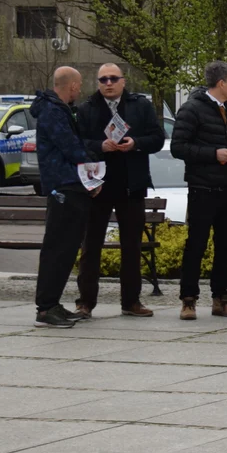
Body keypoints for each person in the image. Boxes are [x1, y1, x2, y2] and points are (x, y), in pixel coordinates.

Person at [74, 63, 165, 319]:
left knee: (132, 246)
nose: (109, 83)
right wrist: (100, 146)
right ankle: (85, 302)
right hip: (97, 187)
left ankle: (131, 301)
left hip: (131, 185)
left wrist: (135, 143)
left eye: (113, 78)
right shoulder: (87, 108)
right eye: (103, 79)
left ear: (123, 81)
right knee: (91, 245)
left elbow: (158, 138)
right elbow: (78, 143)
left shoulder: (141, 105)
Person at [170, 60, 227, 321]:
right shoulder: (192, 109)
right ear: (221, 83)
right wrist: (213, 154)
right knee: (197, 245)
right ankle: (188, 300)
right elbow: (178, 147)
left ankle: (221, 299)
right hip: (202, 187)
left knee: (225, 247)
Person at [30, 66, 97, 329]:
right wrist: (93, 175)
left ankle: (53, 303)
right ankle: (45, 309)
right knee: (57, 249)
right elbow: (72, 148)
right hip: (63, 188)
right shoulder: (53, 112)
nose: (80, 90)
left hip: (71, 186)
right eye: (78, 85)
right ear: (71, 86)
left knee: (67, 249)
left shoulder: (58, 110)